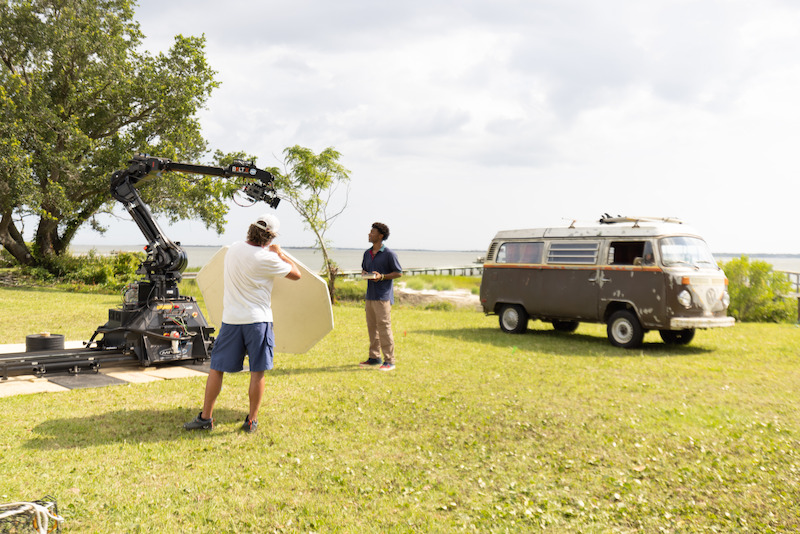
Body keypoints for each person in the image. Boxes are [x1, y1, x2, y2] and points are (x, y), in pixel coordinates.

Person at [184, 214, 301, 433]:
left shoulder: (234, 249)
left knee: (217, 368)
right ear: (270, 237)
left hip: (231, 320)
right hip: (258, 321)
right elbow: (296, 274)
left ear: (251, 229)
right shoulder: (269, 259)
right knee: (257, 371)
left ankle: (205, 417)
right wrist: (281, 253)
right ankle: (251, 421)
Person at [360, 222, 402, 371]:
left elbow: (398, 272)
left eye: (372, 232)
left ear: (380, 236)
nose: (369, 234)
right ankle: (374, 357)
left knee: (384, 328)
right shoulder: (367, 253)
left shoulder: (389, 254)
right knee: (372, 328)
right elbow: (364, 269)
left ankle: (389, 361)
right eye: (369, 232)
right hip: (370, 296)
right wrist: (365, 274)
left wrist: (382, 276)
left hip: (383, 297)